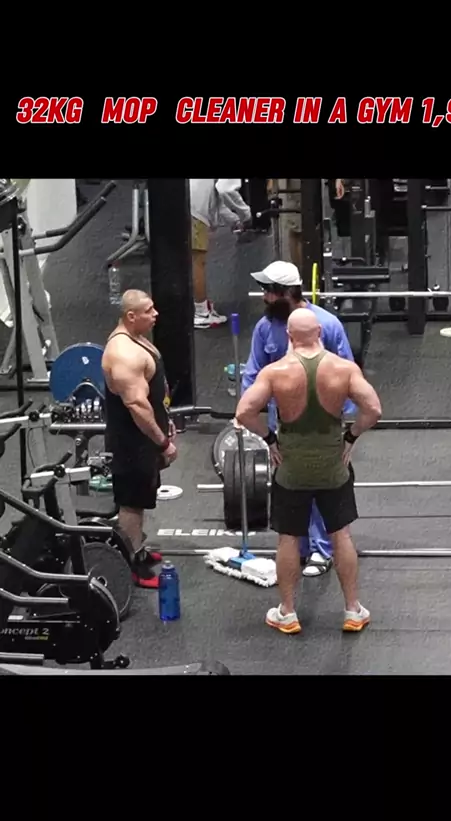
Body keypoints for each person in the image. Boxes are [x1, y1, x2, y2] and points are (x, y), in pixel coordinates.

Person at [235, 308, 382, 635]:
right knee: (341, 534)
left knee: (289, 537)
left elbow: (244, 411)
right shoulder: (344, 369)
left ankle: (287, 613)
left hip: (290, 466)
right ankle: (353, 610)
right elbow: (373, 409)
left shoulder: (275, 372)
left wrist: (269, 438)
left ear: (289, 336)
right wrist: (351, 436)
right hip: (333, 464)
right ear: (320, 333)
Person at [241, 260, 357, 577]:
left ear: (286, 293)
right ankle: (300, 549)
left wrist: (347, 429)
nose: (264, 297)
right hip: (283, 428)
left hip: (324, 426)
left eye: (268, 291)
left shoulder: (327, 325)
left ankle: (322, 549)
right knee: (291, 489)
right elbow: (253, 374)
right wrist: (251, 417)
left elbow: (348, 373)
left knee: (321, 487)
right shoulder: (265, 327)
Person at [102, 289, 177, 589]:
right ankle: (130, 565)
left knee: (142, 497)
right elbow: (137, 405)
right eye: (148, 310)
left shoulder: (137, 339)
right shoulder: (123, 353)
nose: (155, 314)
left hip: (143, 438)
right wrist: (162, 442)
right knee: (131, 503)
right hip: (131, 442)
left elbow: (154, 396)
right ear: (131, 316)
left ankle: (137, 549)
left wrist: (167, 422)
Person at [190, 179, 252, 329]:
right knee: (197, 261)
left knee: (188, 259)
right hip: (195, 210)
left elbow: (219, 201)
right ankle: (201, 313)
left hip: (184, 201)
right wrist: (246, 214)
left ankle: (194, 306)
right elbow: (226, 190)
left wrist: (236, 220)